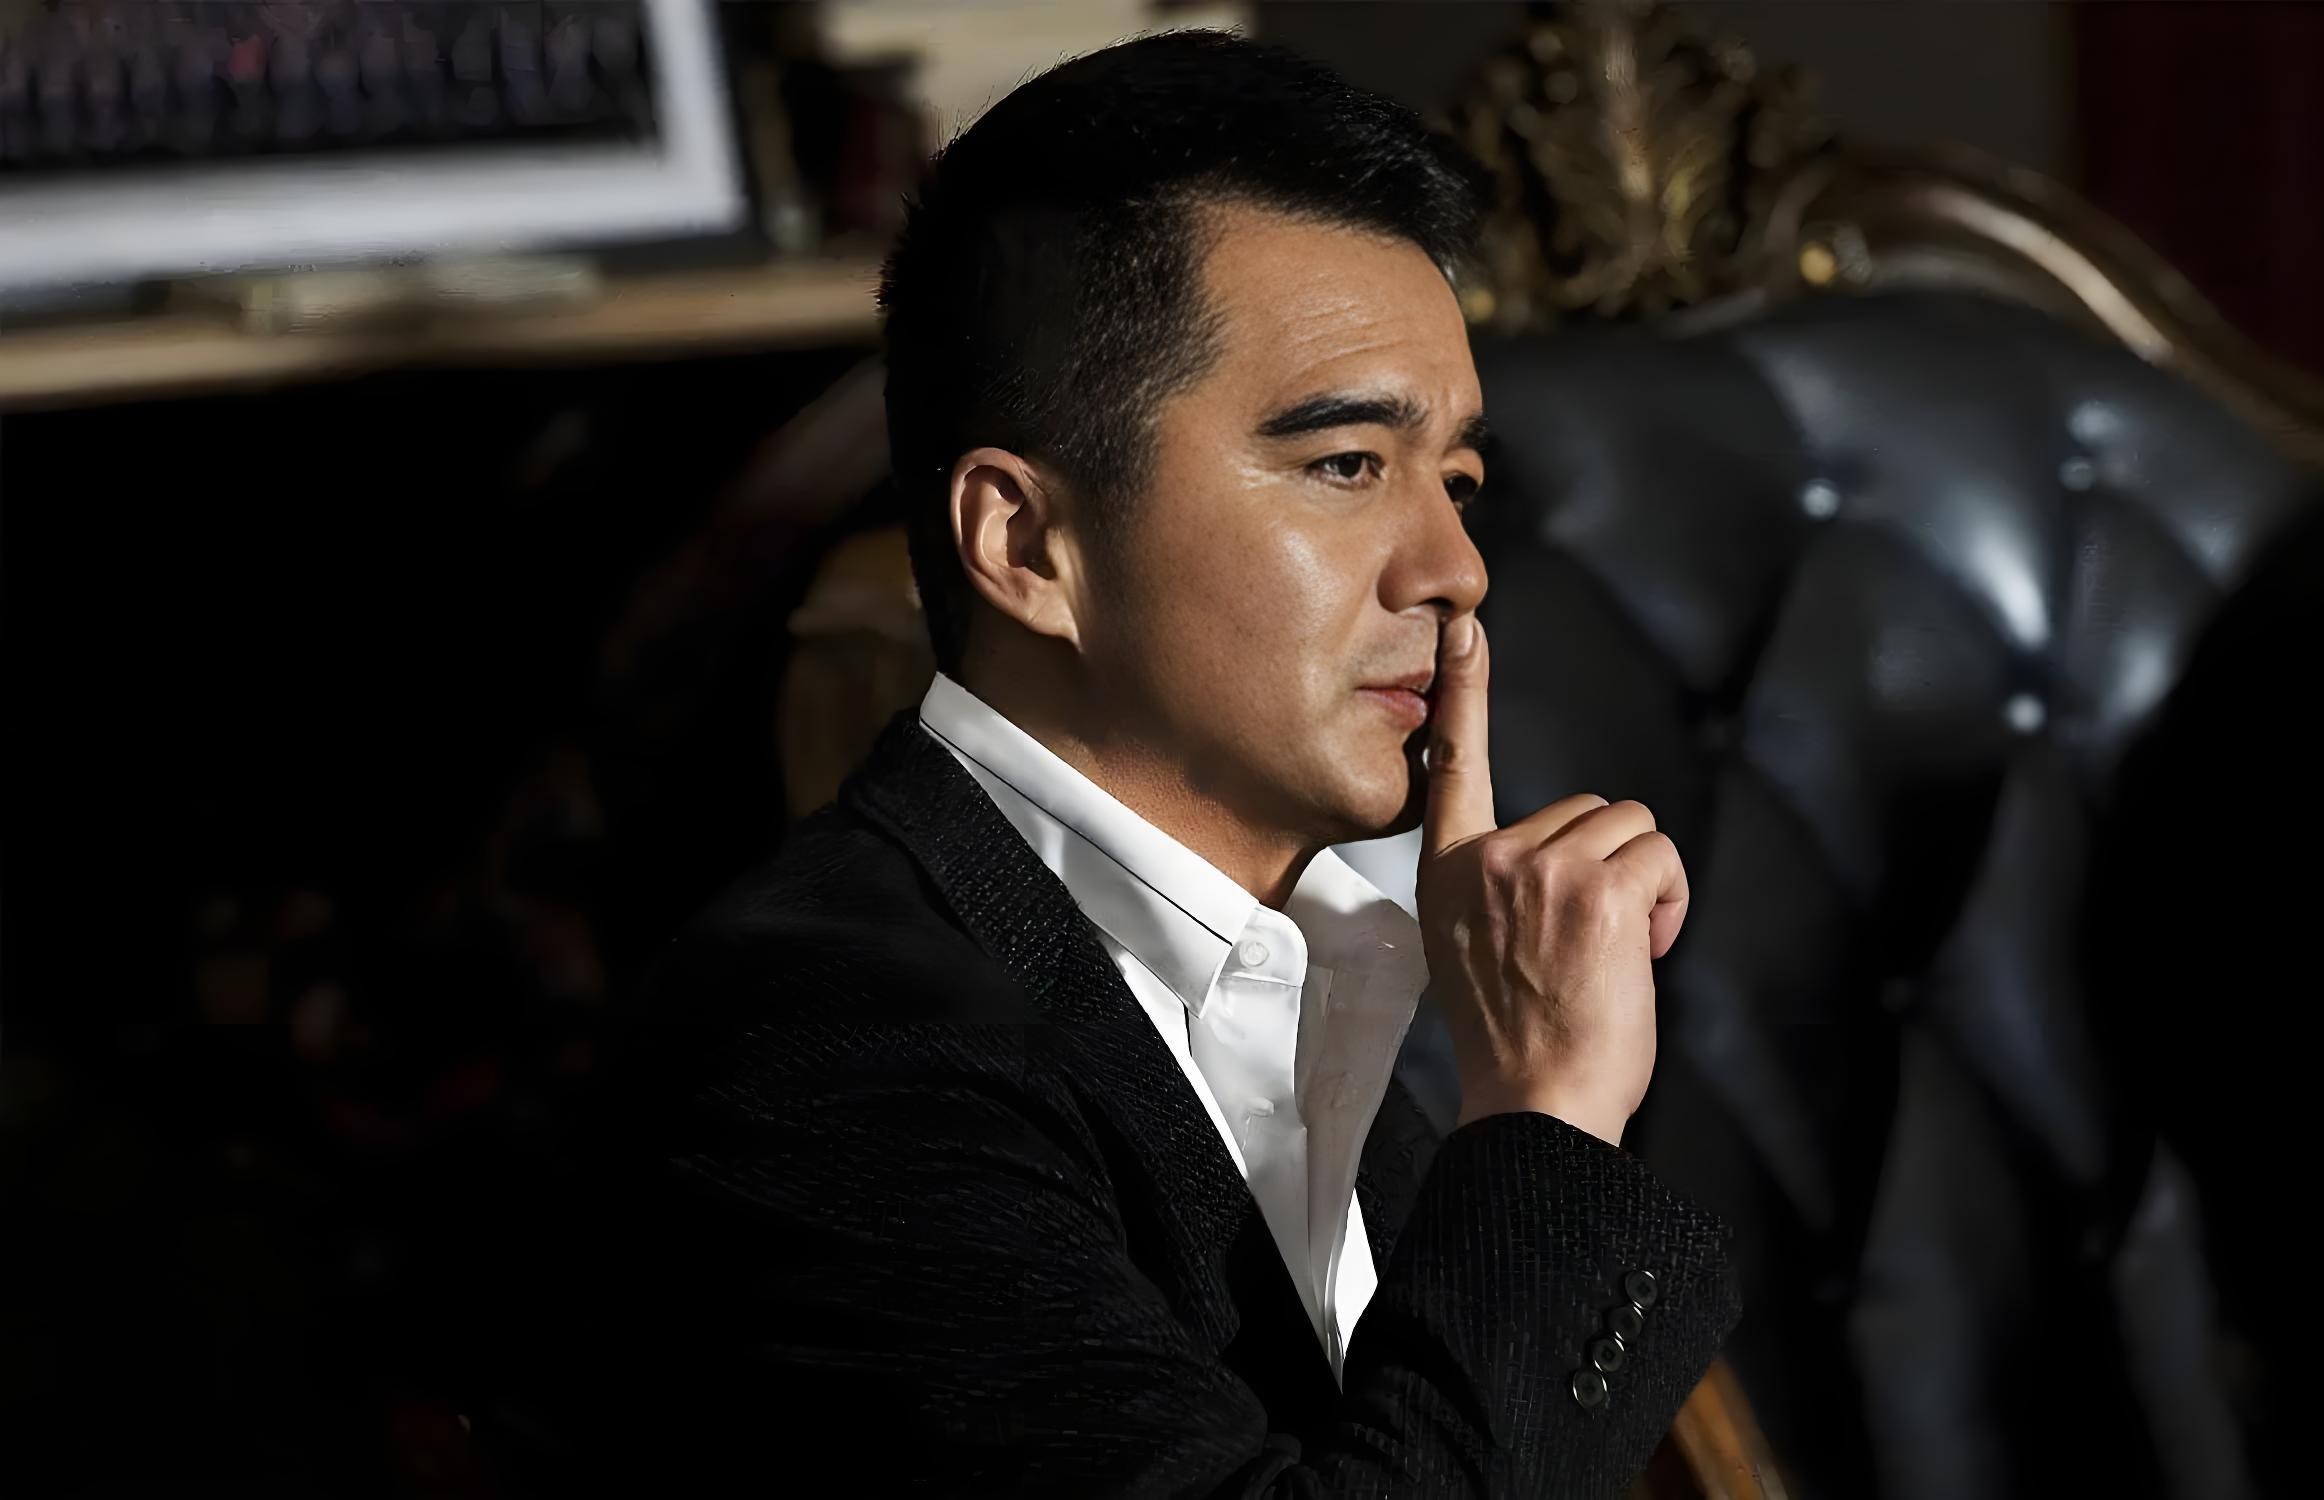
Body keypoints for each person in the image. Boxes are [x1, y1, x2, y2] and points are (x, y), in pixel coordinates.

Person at [511, 30, 1738, 1498]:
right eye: (1347, 466)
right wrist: (1546, 1113)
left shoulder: (1326, 981)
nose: (1456, 568)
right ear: (1027, 544)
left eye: (1458, 481)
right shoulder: (828, 1048)